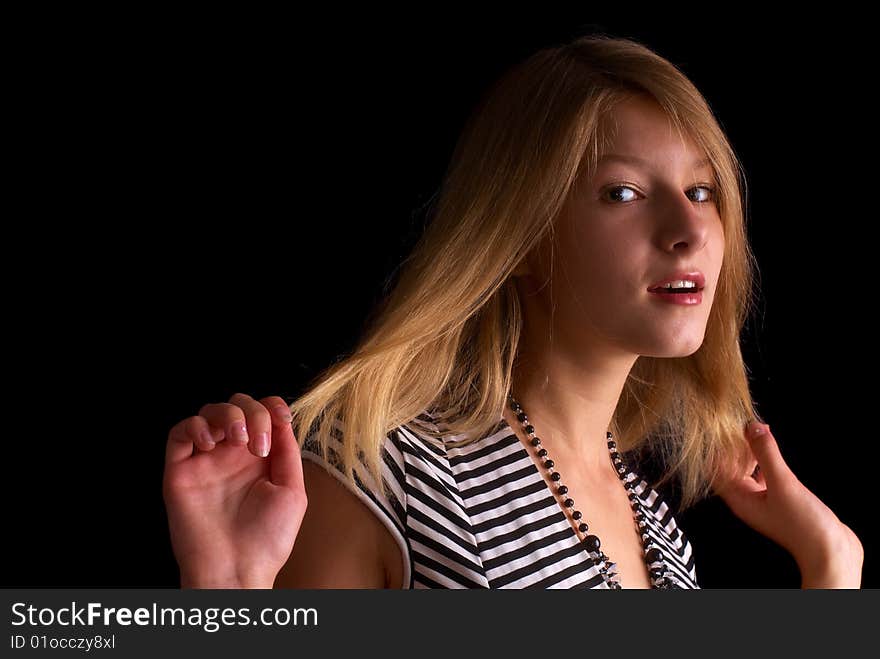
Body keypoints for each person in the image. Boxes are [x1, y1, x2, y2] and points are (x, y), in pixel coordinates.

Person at [162, 33, 864, 589]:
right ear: (521, 235)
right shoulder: (387, 474)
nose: (687, 228)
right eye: (622, 193)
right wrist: (230, 590)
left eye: (703, 190)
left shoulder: (659, 532)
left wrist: (832, 562)